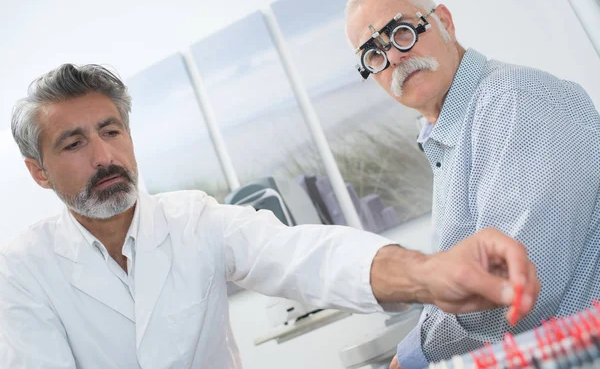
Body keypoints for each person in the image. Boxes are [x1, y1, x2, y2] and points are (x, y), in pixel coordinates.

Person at [0, 64, 538, 368]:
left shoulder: (194, 218)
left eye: (111, 130)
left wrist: (429, 273)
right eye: (74, 143)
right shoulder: (23, 269)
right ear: (39, 172)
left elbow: (303, 255)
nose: (104, 157)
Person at [344, 0, 600, 369]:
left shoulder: (512, 101)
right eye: (374, 55)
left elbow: (517, 287)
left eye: (400, 32)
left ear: (444, 21)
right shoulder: (449, 134)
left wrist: (415, 353)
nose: (394, 57)